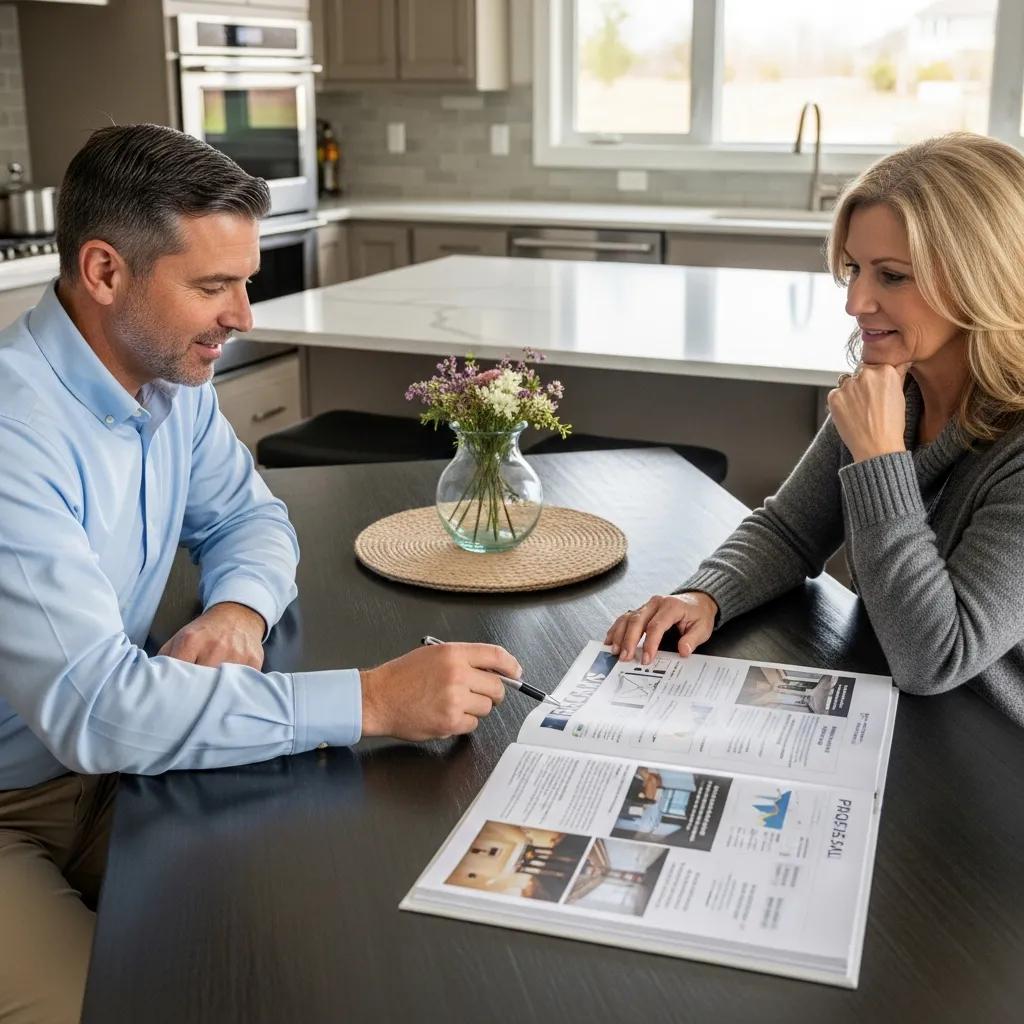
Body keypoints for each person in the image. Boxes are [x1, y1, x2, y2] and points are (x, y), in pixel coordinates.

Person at [0, 124, 516, 1024]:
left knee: (305, 944)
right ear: (104, 272)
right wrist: (370, 702)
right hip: (15, 805)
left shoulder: (167, 383)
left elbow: (249, 516)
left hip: (123, 774)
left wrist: (239, 608)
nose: (244, 316)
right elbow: (96, 708)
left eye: (245, 280)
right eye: (213, 287)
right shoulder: (15, 432)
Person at [606, 132, 1024, 729]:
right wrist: (706, 595)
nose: (856, 301)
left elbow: (935, 658)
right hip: (895, 712)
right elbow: (791, 528)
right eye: (854, 269)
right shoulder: (892, 386)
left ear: (984, 277)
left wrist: (880, 459)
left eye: (892, 276)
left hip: (989, 753)